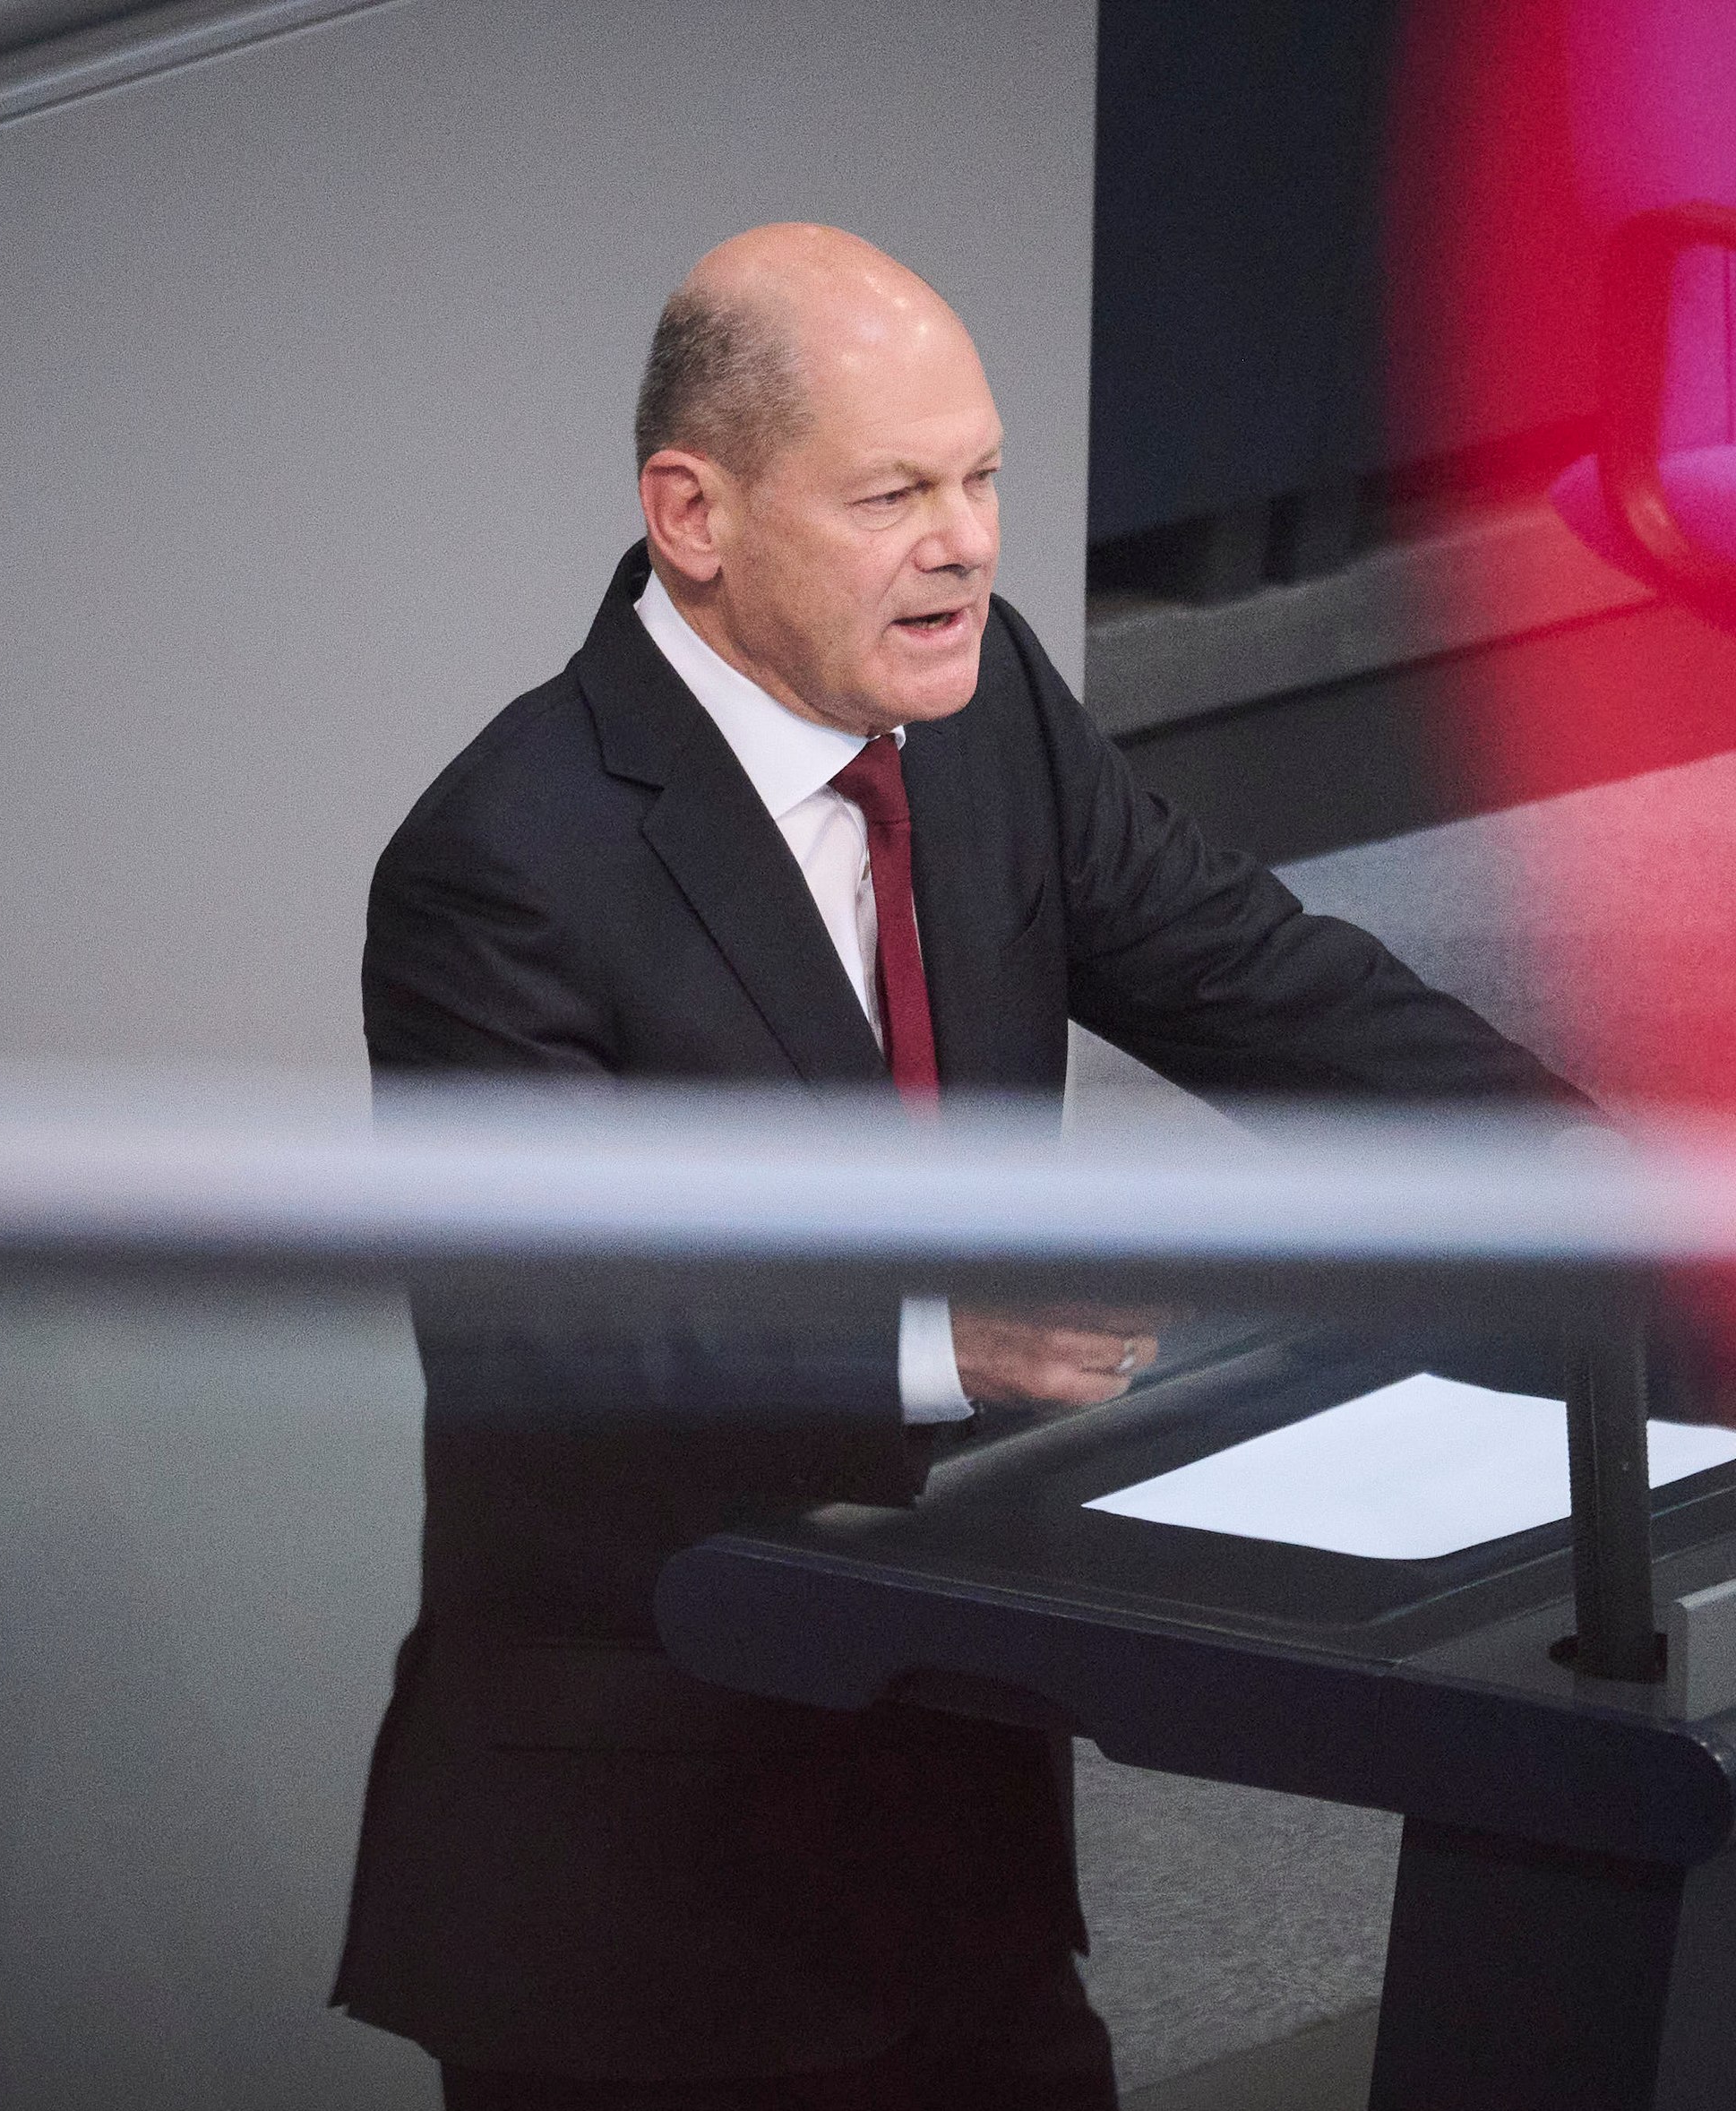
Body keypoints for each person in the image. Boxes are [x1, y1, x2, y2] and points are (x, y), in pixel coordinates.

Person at [330, 223, 1579, 2110]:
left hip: (956, 1813)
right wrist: (936, 1331)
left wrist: (1617, 1187)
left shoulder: (981, 706)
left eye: (983, 476)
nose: (971, 539)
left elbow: (1254, 975)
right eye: (896, 491)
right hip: (643, 1895)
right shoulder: (504, 861)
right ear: (696, 511)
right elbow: (544, 1333)